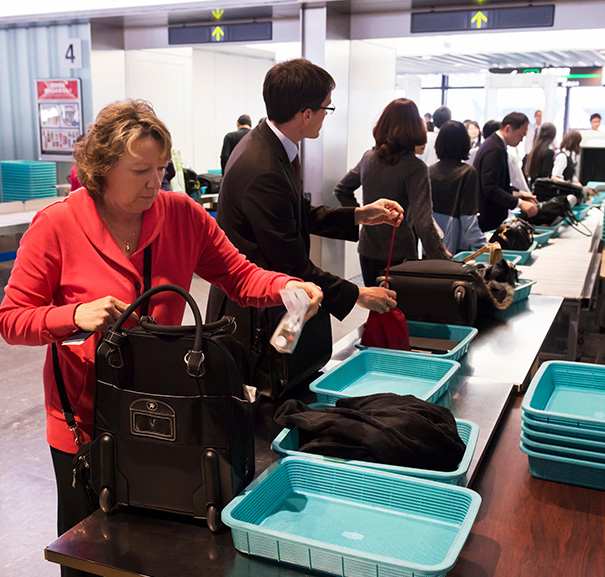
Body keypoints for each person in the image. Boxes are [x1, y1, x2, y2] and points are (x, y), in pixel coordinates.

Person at [0, 99, 322, 577]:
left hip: (168, 417)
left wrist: (284, 287)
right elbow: (12, 319)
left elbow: (239, 276)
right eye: (140, 171)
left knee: (159, 551)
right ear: (102, 168)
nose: (156, 183)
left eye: (163, 168)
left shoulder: (182, 215)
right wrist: (72, 315)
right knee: (90, 558)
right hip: (85, 425)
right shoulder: (56, 227)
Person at [207, 59, 402, 385]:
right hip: (254, 312)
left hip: (273, 299)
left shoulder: (273, 145)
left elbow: (300, 214)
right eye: (327, 108)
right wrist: (359, 295)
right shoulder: (262, 167)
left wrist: (360, 215)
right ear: (306, 113)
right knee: (265, 401)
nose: (327, 115)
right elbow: (293, 264)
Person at [335, 98, 451, 287]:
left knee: (377, 311)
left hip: (367, 248)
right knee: (399, 312)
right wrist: (442, 260)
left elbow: (342, 190)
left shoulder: (368, 157)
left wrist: (363, 217)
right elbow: (423, 222)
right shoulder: (415, 167)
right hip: (400, 254)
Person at [473, 112, 539, 232]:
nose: (521, 140)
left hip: (490, 215)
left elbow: (498, 183)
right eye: (520, 135)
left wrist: (522, 194)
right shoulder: (494, 148)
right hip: (487, 216)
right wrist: (519, 203)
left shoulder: (495, 144)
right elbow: (489, 187)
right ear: (508, 129)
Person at [429, 120, 486, 255]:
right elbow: (468, 221)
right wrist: (486, 247)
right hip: (457, 249)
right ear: (464, 143)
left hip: (432, 245)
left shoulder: (428, 171)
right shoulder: (467, 173)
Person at [523, 122, 558, 187]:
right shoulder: (549, 153)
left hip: (531, 186)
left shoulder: (533, 151)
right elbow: (545, 176)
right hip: (542, 190)